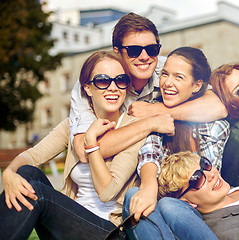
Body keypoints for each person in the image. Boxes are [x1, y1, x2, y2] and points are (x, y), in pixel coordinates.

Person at [0, 51, 154, 239]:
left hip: (110, 232)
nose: (113, 87)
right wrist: (9, 173)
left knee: (39, 194)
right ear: (87, 89)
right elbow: (32, 156)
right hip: (69, 223)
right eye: (103, 81)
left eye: (120, 80)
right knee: (27, 174)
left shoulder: (134, 128)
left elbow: (108, 191)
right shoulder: (73, 126)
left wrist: (91, 142)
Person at [70, 12, 227, 164]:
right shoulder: (96, 81)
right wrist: (150, 123)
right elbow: (84, 152)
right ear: (117, 52)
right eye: (134, 50)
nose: (144, 57)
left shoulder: (167, 69)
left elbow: (218, 108)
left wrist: (156, 110)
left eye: (152, 49)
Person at [122, 47, 229, 239]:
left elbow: (206, 179)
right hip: (161, 211)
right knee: (134, 195)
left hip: (199, 209)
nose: (167, 83)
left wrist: (157, 111)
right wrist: (148, 186)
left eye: (178, 77)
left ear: (196, 86)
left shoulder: (214, 126)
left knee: (168, 205)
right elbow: (149, 153)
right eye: (164, 74)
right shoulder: (154, 119)